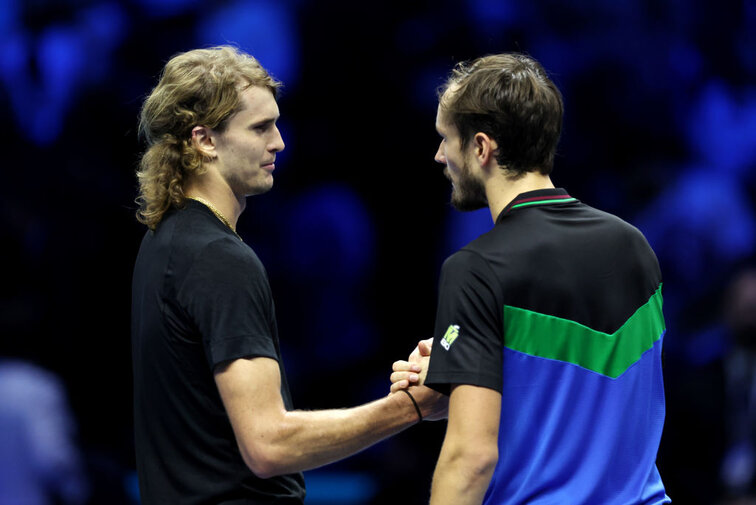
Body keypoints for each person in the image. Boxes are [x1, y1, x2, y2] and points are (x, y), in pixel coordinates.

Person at [130, 45, 445, 505]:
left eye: (276, 124)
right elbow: (268, 445)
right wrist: (412, 406)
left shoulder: (164, 242)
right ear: (204, 140)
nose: (279, 142)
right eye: (260, 128)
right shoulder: (220, 259)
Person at [391, 53, 671, 504]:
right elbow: (592, 399)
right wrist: (466, 372)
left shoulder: (476, 268)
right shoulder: (635, 246)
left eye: (446, 140)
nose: (439, 156)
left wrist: (470, 383)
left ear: (481, 148)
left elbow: (471, 458)